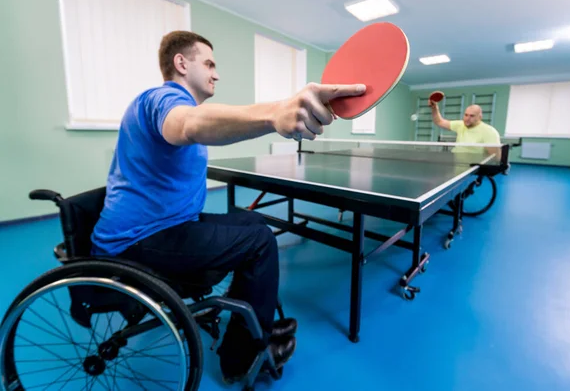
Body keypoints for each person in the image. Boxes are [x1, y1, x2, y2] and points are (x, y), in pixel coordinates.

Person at [90, 30, 366, 383]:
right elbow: (187, 125)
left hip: (167, 224)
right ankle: (242, 357)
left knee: (251, 221)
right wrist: (273, 114)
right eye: (209, 63)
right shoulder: (161, 100)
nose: (216, 73)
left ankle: (249, 318)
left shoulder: (175, 104)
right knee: (261, 242)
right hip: (139, 240)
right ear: (181, 63)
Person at [429, 100, 501, 154]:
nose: (467, 118)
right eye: (466, 115)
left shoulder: (489, 131)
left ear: (480, 117)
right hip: (455, 160)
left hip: (473, 166)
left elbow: (495, 157)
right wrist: (434, 108)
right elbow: (439, 122)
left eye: (472, 116)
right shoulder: (460, 125)